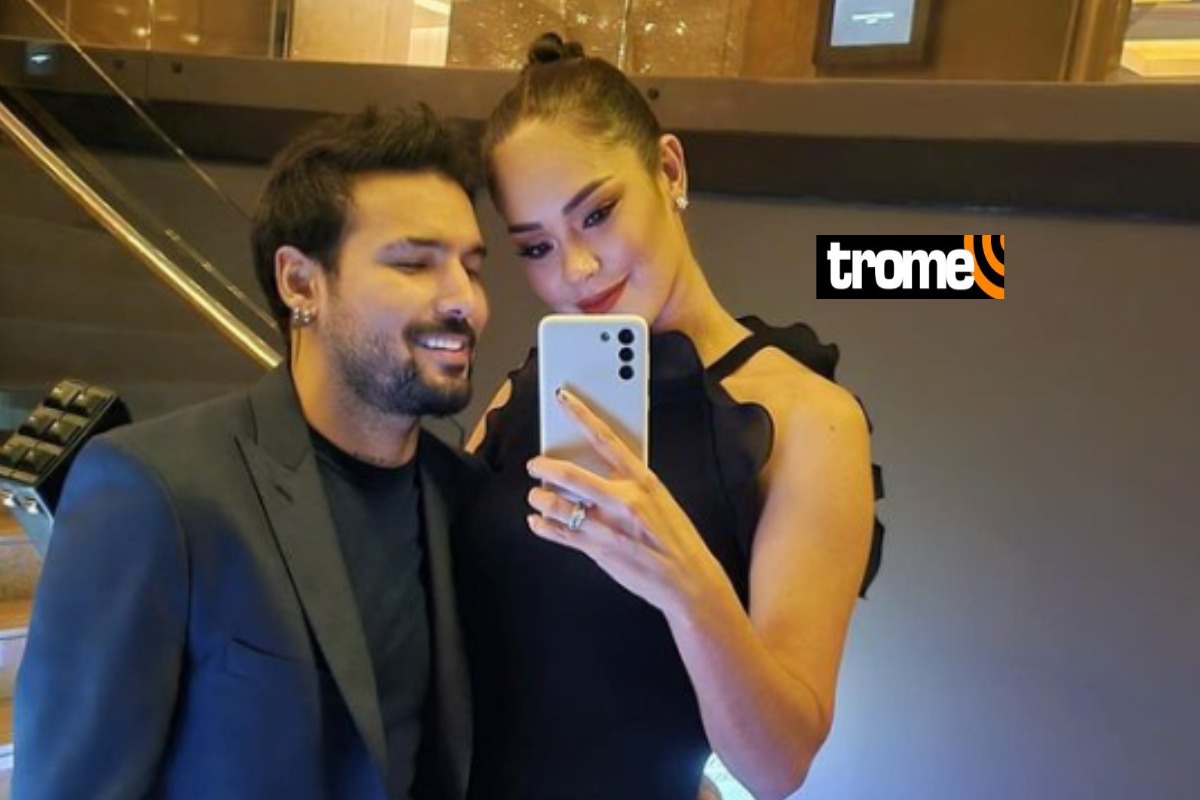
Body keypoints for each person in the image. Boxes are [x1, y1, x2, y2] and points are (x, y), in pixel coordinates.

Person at [13, 106, 489, 800]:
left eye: (472, 267)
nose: (466, 301)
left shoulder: (461, 495)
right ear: (300, 283)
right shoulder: (156, 491)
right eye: (414, 263)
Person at [455, 34, 884, 800]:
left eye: (598, 214)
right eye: (537, 247)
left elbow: (777, 764)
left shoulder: (806, 421)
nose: (576, 269)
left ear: (670, 170)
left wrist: (685, 581)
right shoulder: (526, 396)